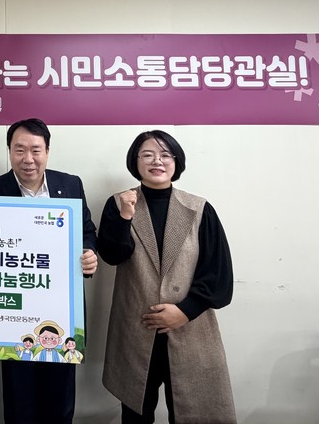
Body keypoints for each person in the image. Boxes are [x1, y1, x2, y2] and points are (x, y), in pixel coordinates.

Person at [97, 130, 236, 424]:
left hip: (189, 328)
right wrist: (125, 216)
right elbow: (112, 255)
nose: (156, 161)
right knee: (135, 414)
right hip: (136, 329)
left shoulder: (199, 209)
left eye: (164, 155)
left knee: (194, 412)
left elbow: (218, 274)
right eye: (147, 155)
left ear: (176, 161)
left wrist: (184, 311)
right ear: (135, 161)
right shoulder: (119, 203)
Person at [0, 117, 98, 424]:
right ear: (9, 152)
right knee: (20, 401)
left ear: (47, 151)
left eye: (35, 150)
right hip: (14, 311)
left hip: (62, 311)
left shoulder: (70, 184)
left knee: (60, 400)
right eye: (19, 150)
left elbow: (86, 231)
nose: (28, 159)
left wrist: (89, 253)